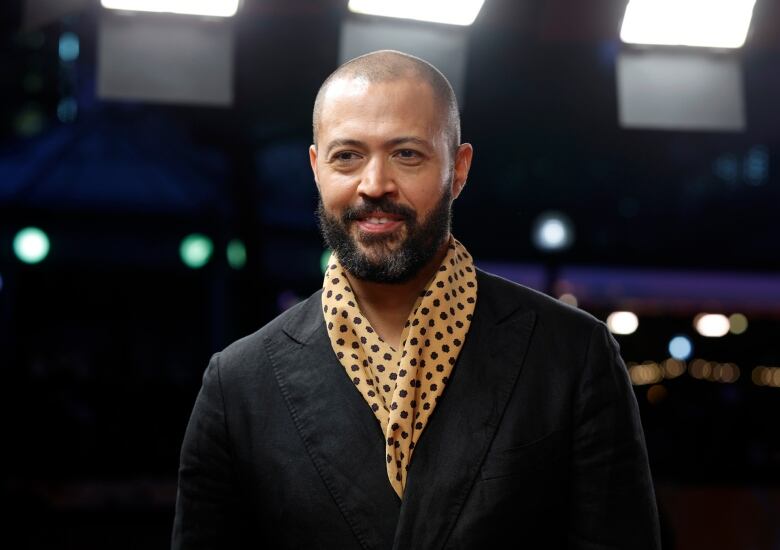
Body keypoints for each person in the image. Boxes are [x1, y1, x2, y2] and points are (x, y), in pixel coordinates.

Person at [172, 50, 661, 549]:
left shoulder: (572, 356)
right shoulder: (238, 385)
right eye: (347, 156)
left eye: (407, 154)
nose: (375, 184)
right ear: (317, 169)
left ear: (459, 169)